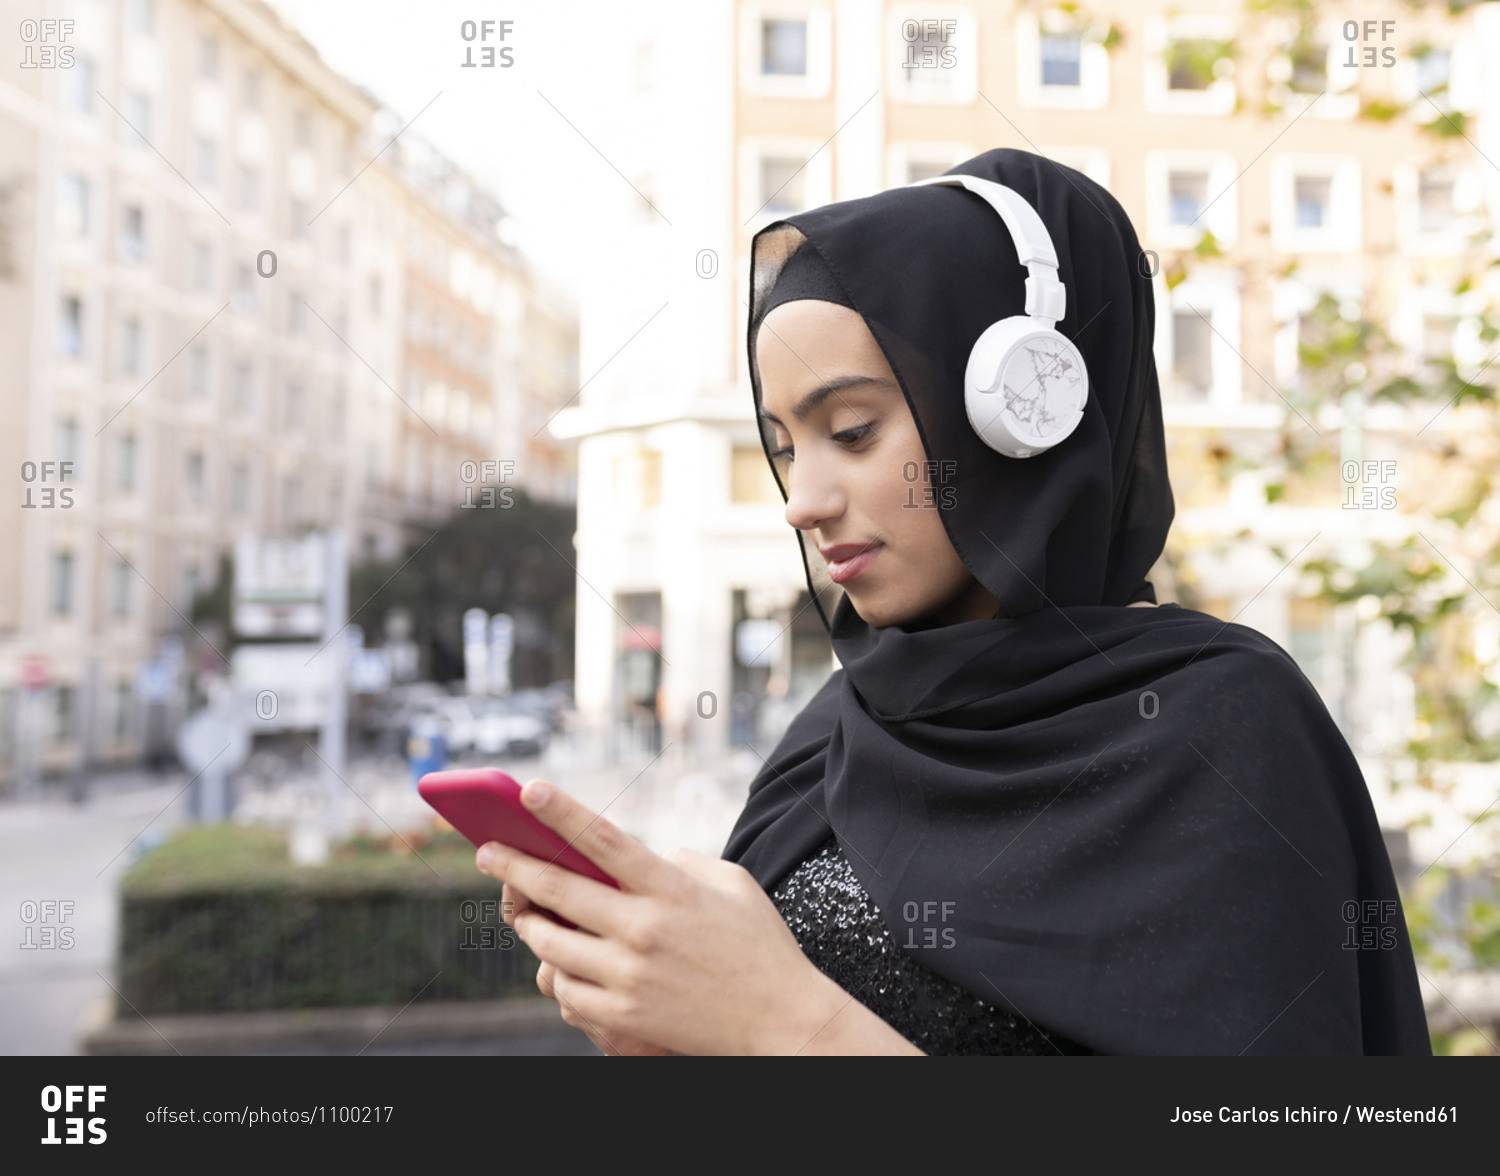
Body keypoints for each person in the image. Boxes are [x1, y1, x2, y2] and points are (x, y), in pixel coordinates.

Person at [474, 147, 1430, 1055]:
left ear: (1021, 413)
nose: (803, 498)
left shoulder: (1223, 729)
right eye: (783, 445)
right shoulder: (833, 736)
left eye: (850, 431)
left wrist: (787, 1025)